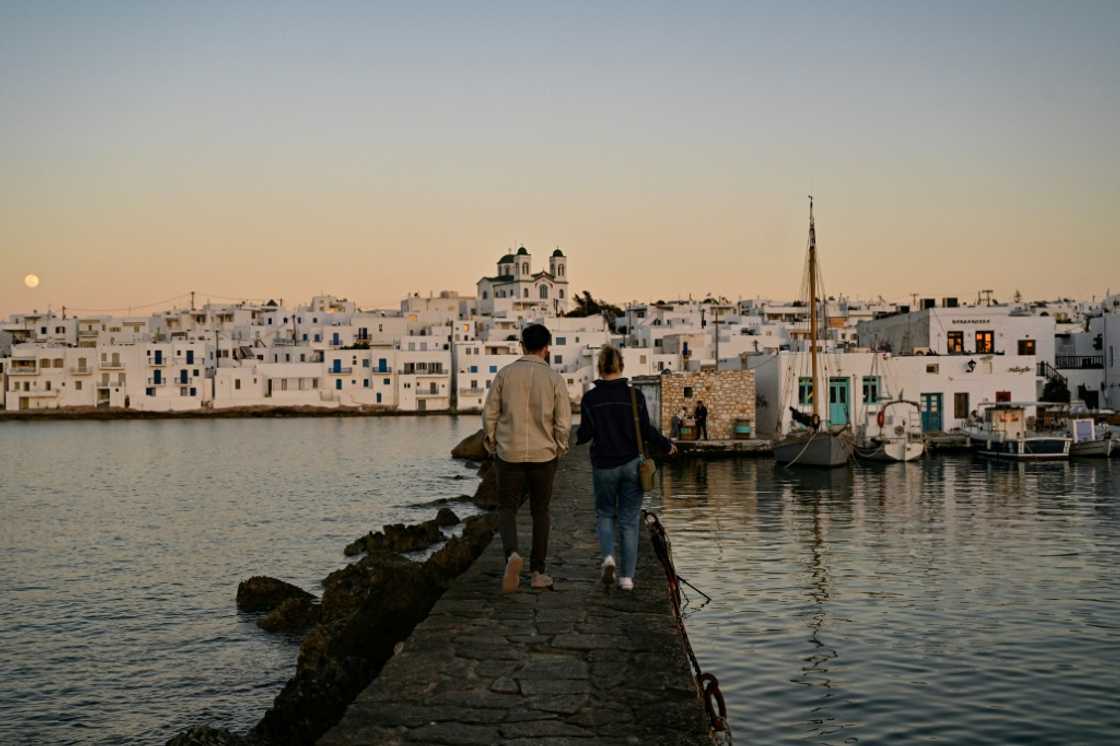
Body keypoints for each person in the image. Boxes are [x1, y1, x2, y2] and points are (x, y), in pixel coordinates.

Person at [576, 346, 675, 591]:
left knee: (605, 514)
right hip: (632, 464)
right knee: (630, 521)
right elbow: (646, 431)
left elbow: (584, 434)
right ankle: (627, 579)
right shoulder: (634, 395)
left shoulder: (590, 398)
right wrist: (667, 445)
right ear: (621, 366)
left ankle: (609, 557)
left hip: (604, 465)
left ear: (599, 367)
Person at [482, 323, 572, 593]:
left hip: (509, 453)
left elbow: (490, 415)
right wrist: (559, 447)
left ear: (522, 346)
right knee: (540, 512)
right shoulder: (554, 379)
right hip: (543, 455)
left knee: (507, 508)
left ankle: (512, 555)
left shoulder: (505, 374)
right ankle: (537, 572)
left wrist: (492, 442)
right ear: (547, 349)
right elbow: (563, 422)